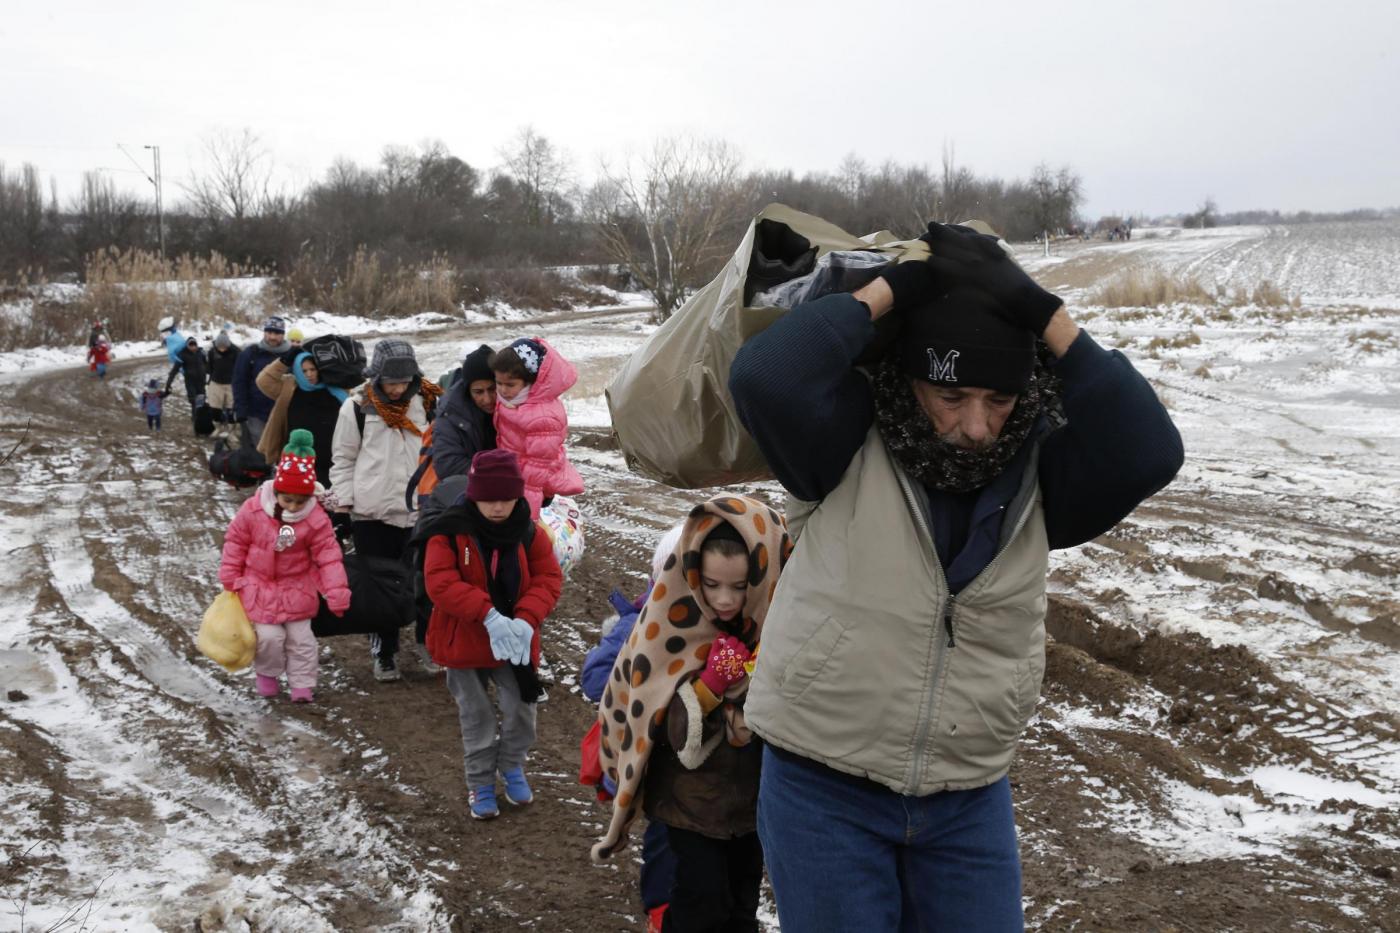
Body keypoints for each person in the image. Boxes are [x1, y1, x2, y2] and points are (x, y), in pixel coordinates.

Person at [727, 221, 1185, 931]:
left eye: (998, 401)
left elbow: (1152, 448)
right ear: (911, 381)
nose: (977, 425)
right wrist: (894, 290)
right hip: (823, 787)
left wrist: (1038, 309)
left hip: (967, 797)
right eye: (953, 397)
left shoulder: (1043, 469)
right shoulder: (841, 436)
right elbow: (763, 374)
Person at [592, 495, 793, 933]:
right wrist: (710, 688)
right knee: (701, 904)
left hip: (752, 802)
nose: (724, 601)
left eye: (740, 587)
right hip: (691, 804)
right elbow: (660, 726)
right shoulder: (669, 626)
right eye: (712, 584)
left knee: (741, 906)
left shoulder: (783, 626)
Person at [422, 449, 562, 820]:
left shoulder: (529, 531)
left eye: (505, 498)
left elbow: (549, 578)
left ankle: (512, 765)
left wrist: (525, 619)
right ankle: (481, 782)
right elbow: (440, 582)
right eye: (488, 499)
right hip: (464, 639)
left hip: (515, 641)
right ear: (474, 495)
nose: (497, 507)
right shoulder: (449, 531)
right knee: (478, 716)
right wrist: (487, 614)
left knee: (521, 709)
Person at [579, 523, 683, 933]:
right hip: (655, 754)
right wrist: (644, 691)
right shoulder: (639, 623)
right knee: (664, 836)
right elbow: (596, 676)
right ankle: (659, 913)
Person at [329, 339, 442, 681]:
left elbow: (441, 454)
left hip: (420, 512)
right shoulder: (357, 407)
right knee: (379, 589)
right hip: (372, 513)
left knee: (426, 584)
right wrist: (346, 502)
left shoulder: (429, 403)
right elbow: (344, 459)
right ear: (376, 377)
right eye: (390, 382)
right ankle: (385, 652)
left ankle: (428, 643)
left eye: (403, 382)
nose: (397, 389)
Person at [217, 429, 350, 703]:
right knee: (268, 638)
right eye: (287, 499)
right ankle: (267, 674)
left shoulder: (314, 519)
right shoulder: (254, 511)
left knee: (302, 640)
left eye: (300, 501)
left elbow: (328, 555)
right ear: (276, 491)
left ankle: (302, 684)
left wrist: (337, 590)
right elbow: (236, 541)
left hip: (297, 587)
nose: (292, 506)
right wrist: (231, 574)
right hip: (259, 586)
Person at [489, 337, 583, 518]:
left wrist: (527, 517)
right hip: (512, 473)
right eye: (498, 383)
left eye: (510, 384)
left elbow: (535, 476)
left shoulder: (543, 418)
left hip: (531, 484)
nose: (502, 390)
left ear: (531, 382)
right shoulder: (514, 400)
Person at [255, 349, 347, 488]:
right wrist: (283, 361)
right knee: (296, 499)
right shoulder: (289, 387)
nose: (309, 374)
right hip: (296, 458)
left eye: (313, 369)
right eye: (304, 371)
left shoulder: (335, 389)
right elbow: (263, 381)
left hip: (329, 460)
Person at [431, 344, 497, 480]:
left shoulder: (516, 403)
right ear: (468, 390)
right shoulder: (450, 414)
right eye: (478, 392)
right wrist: (497, 472)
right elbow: (447, 465)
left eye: (492, 389)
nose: (487, 399)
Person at [232, 316, 289, 450]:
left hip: (283, 413)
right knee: (261, 449)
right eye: (269, 332)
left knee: (281, 449)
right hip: (255, 413)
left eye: (277, 333)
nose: (272, 337)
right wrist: (240, 410)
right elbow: (239, 382)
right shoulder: (250, 354)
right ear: (264, 333)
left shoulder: (290, 355)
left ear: (283, 335)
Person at [165, 336, 209, 431]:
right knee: (194, 402)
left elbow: (207, 365)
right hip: (190, 383)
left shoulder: (201, 353)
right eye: (191, 345)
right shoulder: (183, 355)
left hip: (201, 382)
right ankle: (196, 424)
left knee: (201, 403)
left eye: (194, 345)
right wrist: (169, 383)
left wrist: (212, 377)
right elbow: (175, 370)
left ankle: (202, 424)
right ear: (188, 346)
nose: (193, 347)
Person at [207, 330, 241, 439]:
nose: (222, 349)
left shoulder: (236, 351)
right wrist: (211, 379)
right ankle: (218, 427)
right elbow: (210, 367)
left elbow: (241, 368)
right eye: (219, 347)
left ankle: (232, 432)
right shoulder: (212, 352)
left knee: (231, 409)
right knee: (214, 408)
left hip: (231, 384)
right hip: (216, 383)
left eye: (224, 347)